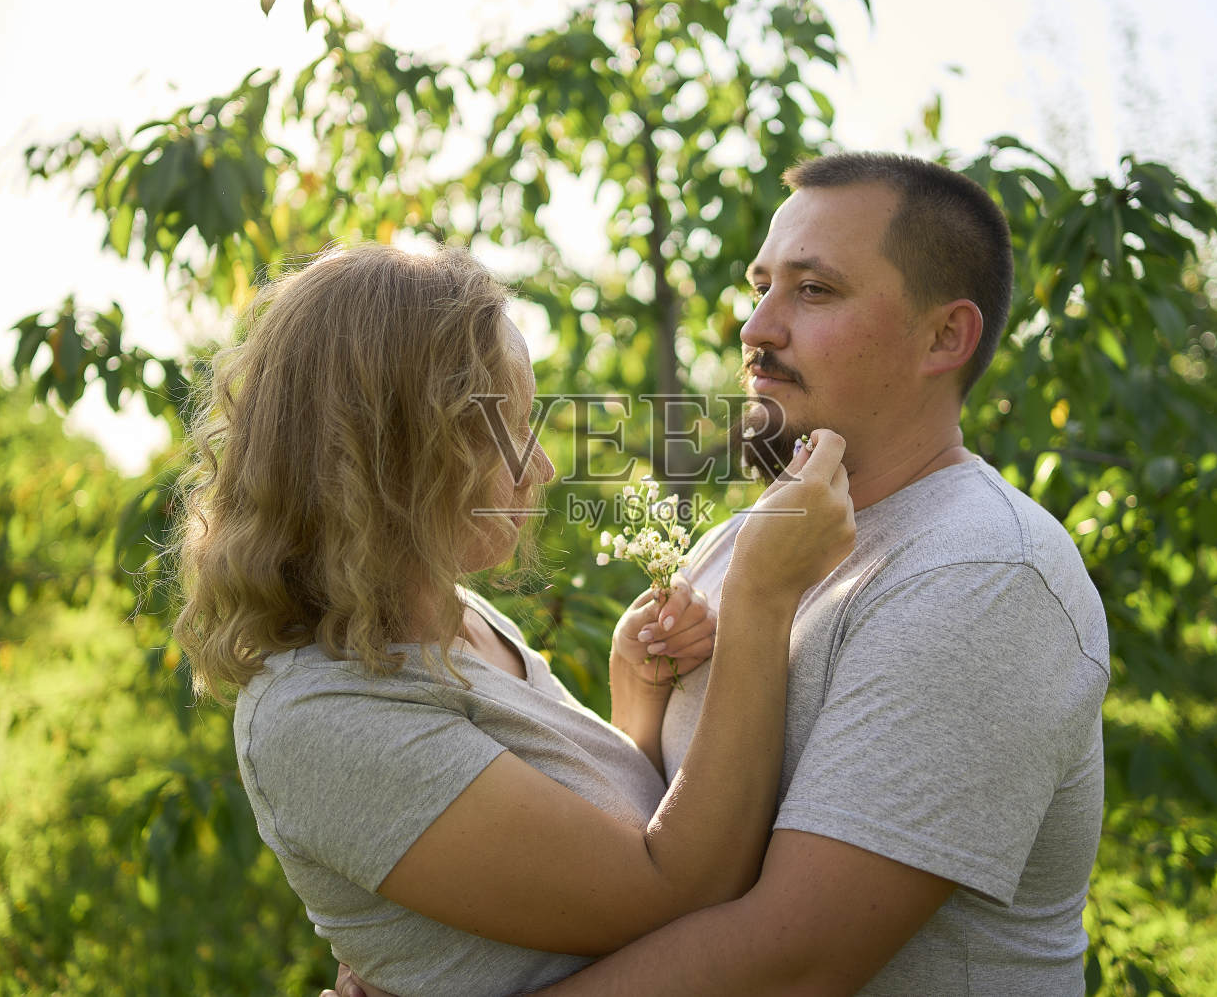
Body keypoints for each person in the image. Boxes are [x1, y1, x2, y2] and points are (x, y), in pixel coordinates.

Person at [331, 151, 1110, 996]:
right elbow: (656, 850)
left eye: (814, 291)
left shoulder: (982, 573)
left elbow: (793, 962)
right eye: (761, 284)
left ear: (944, 336)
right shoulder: (750, 542)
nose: (756, 328)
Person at [174, 243, 855, 997]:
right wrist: (762, 591)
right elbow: (678, 890)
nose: (544, 467)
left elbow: (600, 845)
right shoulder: (322, 715)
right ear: (394, 458)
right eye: (508, 432)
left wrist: (633, 695)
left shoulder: (460, 619)